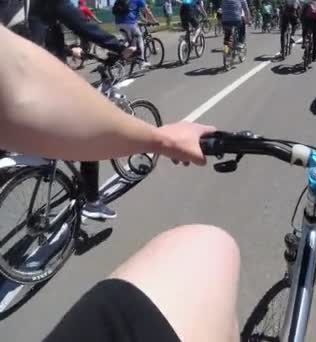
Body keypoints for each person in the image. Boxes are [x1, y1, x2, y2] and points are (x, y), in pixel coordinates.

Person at [0, 26, 240, 341]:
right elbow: (22, 82)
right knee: (209, 245)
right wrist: (159, 138)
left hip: (44, 52)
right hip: (51, 60)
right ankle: (93, 200)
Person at [7, 0, 136, 219]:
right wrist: (122, 48)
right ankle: (93, 201)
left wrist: (67, 49)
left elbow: (30, 37)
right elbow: (84, 26)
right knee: (89, 126)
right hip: (40, 81)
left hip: (11, 87)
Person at [113, 0, 158, 68]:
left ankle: (119, 53)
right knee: (139, 39)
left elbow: (136, 13)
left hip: (118, 24)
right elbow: (147, 12)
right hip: (129, 24)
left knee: (129, 39)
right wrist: (154, 21)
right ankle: (142, 62)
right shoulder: (139, 0)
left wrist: (145, 21)